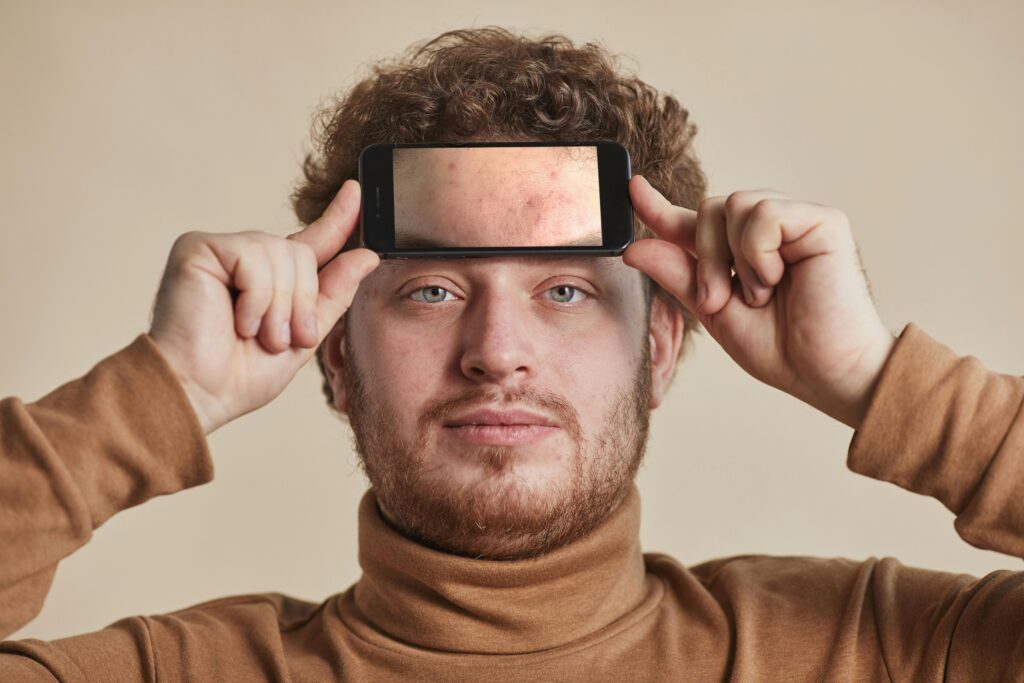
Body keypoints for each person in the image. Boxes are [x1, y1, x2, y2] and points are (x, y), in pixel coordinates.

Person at [1, 26, 1021, 681]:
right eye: (433, 290)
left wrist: (885, 382)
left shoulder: (888, 650)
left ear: (661, 345)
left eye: (565, 290)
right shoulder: (172, 670)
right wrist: (152, 398)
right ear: (335, 356)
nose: (497, 352)